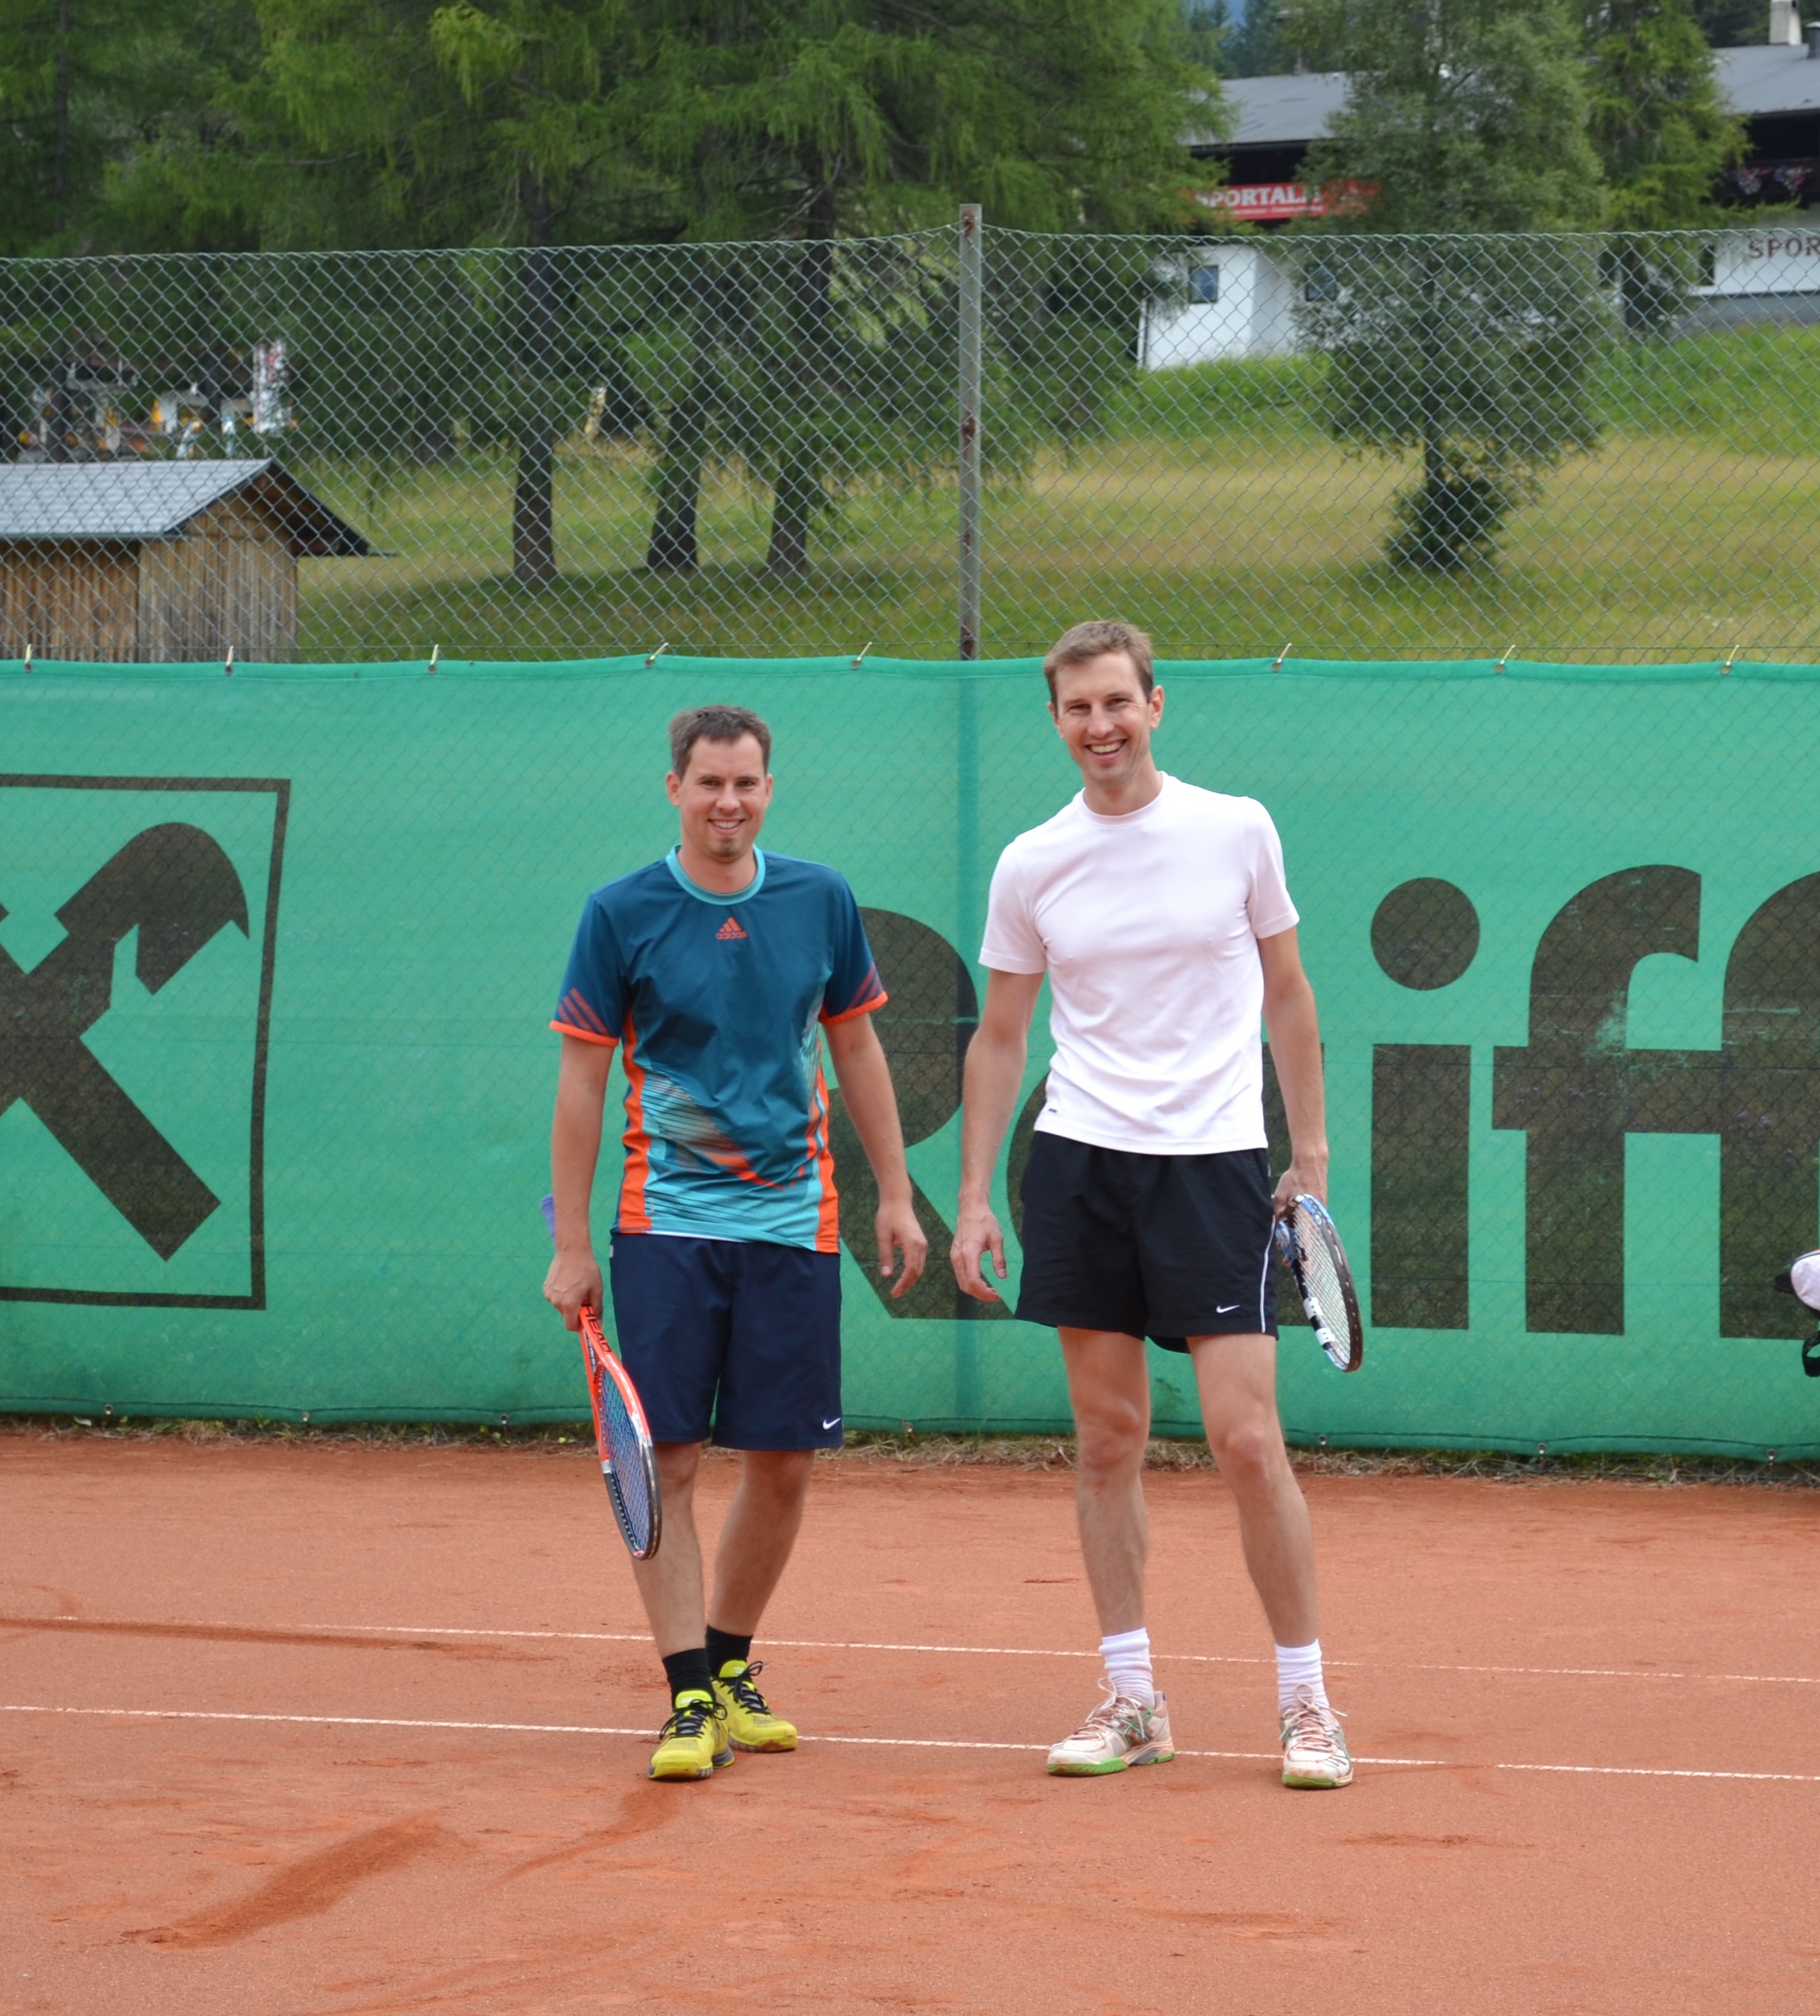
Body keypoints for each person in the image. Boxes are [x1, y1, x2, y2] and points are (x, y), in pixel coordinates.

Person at [952, 619, 1352, 1790]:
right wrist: (974, 1195)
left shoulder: (1237, 829)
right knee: (1106, 1440)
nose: (1101, 726)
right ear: (1056, 719)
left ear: (1155, 705)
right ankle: (1134, 1701)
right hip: (1082, 1164)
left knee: (1247, 1441)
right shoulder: (1033, 861)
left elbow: (1289, 994)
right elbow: (1001, 1035)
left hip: (1214, 1165)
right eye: (1078, 708)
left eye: (1117, 702)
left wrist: (1310, 1153)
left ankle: (1308, 1706)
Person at [546, 703, 931, 1783]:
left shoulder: (820, 898)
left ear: (769, 789)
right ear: (674, 788)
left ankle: (727, 1668)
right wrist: (571, 1243)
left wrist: (896, 1195)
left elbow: (857, 1048)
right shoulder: (620, 913)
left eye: (746, 784)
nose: (728, 802)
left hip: (796, 1224)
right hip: (665, 1221)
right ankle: (684, 1695)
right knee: (665, 1458)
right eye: (709, 783)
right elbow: (581, 1084)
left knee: (785, 1463)